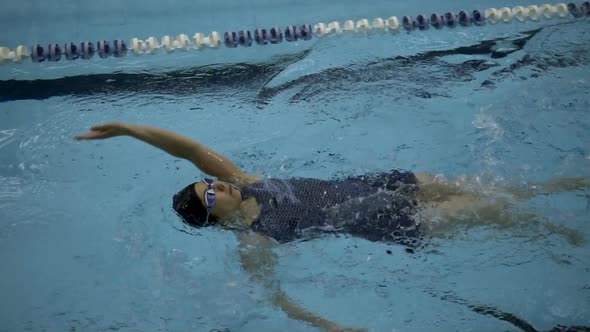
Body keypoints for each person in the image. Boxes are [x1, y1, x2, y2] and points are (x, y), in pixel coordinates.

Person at [75, 121, 587, 332]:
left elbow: (187, 149)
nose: (217, 183)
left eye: (210, 181)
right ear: (212, 216)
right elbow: (277, 301)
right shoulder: (257, 241)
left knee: (505, 189)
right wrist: (338, 328)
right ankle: (574, 240)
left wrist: (126, 130)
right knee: (500, 211)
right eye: (209, 192)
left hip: (389, 182)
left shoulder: (249, 182)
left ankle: (575, 186)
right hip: (397, 222)